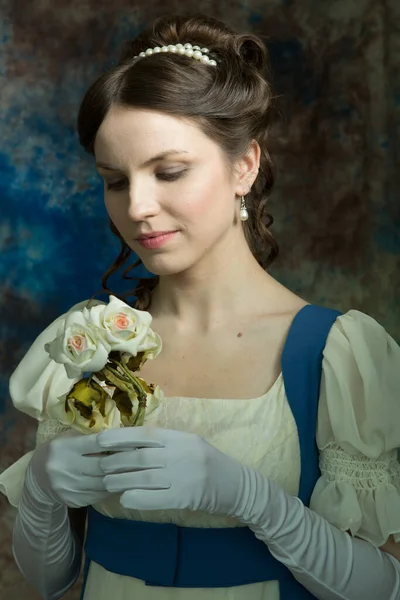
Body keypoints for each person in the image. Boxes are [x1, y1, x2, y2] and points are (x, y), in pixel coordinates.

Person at [1, 12, 400, 600]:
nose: (138, 207)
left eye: (169, 172)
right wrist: (39, 490)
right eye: (115, 180)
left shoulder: (335, 355)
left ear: (245, 165)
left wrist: (255, 501)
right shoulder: (85, 344)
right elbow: (51, 578)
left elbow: (385, 586)